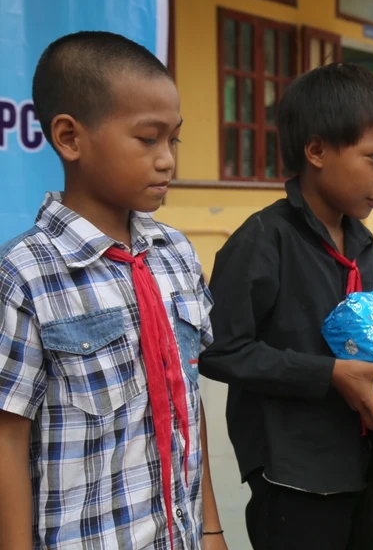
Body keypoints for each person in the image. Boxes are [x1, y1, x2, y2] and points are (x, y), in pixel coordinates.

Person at [0, 31, 227, 549]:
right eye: (148, 139)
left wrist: (210, 529)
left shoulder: (175, 254)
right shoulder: (25, 275)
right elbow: (6, 440)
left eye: (174, 139)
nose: (167, 159)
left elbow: (186, 405)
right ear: (70, 138)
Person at [198, 63, 373, 550]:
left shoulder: (362, 243)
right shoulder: (261, 242)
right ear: (316, 151)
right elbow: (218, 350)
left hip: (364, 464)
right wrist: (327, 374)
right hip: (294, 475)